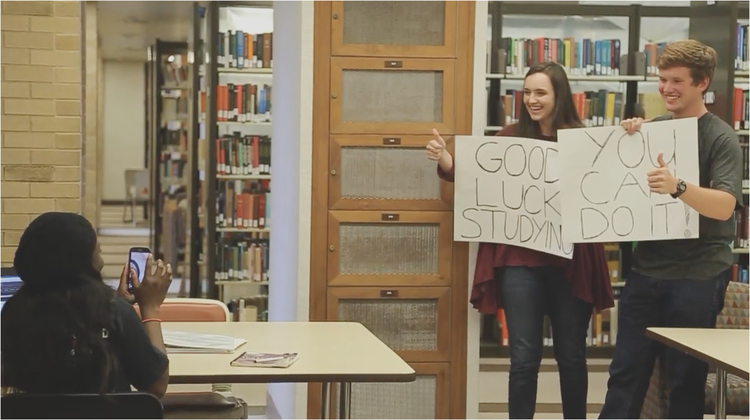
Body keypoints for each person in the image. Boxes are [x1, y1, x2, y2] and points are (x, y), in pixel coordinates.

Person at [427, 61, 614, 419]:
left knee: (572, 355)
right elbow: (478, 181)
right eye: (526, 92)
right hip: (520, 264)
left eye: (540, 92)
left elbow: (607, 188)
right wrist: (448, 160)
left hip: (571, 263)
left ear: (559, 95)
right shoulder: (508, 138)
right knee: (524, 359)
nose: (531, 99)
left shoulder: (584, 140)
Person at [599, 39, 743, 419]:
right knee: (625, 373)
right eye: (662, 80)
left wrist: (678, 187)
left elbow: (725, 204)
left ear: (702, 83)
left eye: (677, 80)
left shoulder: (721, 138)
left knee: (684, 379)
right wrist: (627, 136)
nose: (666, 89)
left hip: (697, 274)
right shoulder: (652, 129)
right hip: (647, 270)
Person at [1, 212, 172, 398]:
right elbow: (157, 385)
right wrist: (150, 307)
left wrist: (119, 304)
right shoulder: (114, 313)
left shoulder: (14, 313)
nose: (98, 245)